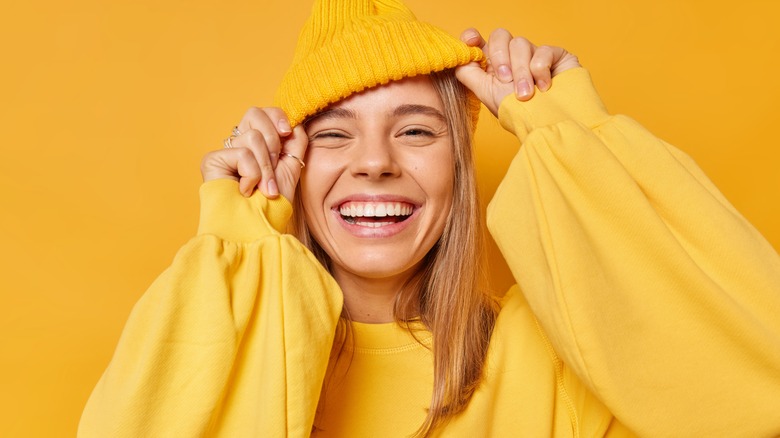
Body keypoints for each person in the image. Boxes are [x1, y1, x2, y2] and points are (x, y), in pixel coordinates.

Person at [78, 0, 780, 437]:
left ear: (460, 167)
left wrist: (574, 135)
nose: (375, 163)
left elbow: (757, 392)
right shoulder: (249, 353)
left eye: (416, 131)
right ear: (295, 167)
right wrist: (238, 235)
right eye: (333, 134)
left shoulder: (558, 361)